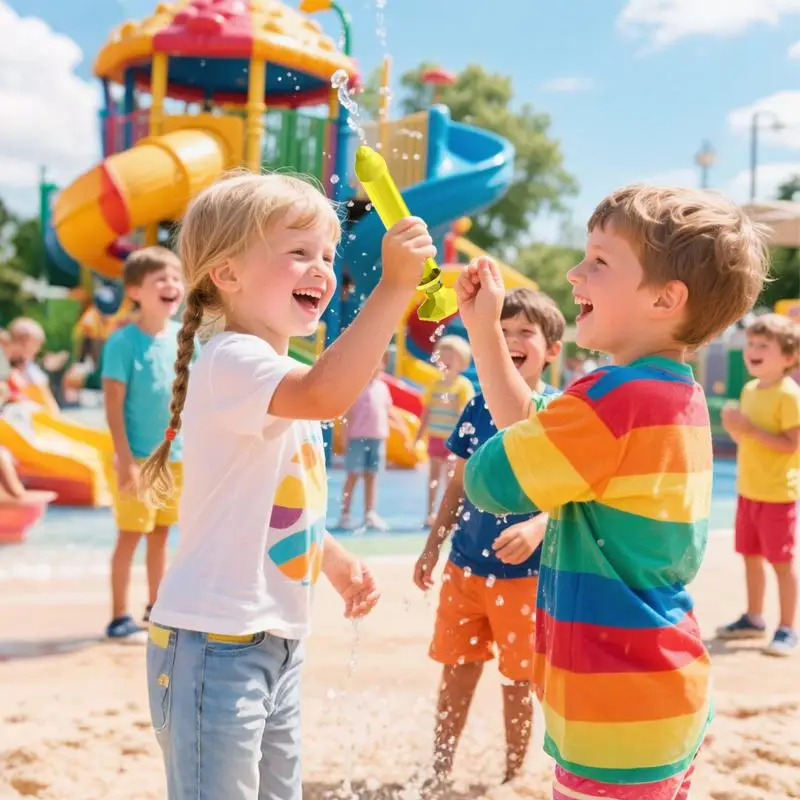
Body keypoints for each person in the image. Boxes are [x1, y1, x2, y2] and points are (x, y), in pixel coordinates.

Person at [456, 185, 769, 798]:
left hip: (612, 710)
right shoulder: (672, 396)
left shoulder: (611, 401)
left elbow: (491, 481)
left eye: (598, 261)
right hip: (661, 693)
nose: (574, 273)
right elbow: (538, 430)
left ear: (663, 298)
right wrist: (484, 332)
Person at [138, 172, 436, 800]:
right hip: (211, 644)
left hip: (273, 639)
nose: (321, 268)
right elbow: (328, 390)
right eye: (298, 252)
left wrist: (329, 555)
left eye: (327, 254)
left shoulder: (273, 371)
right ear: (226, 273)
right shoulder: (232, 359)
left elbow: (271, 496)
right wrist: (393, 289)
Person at [413, 288, 565, 787]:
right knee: (456, 670)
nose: (512, 341)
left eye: (525, 332)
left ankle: (513, 775)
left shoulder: (559, 413)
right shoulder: (477, 406)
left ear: (552, 349)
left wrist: (539, 523)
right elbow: (458, 480)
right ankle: (439, 770)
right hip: (465, 567)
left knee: (518, 680)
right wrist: (433, 544)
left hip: (525, 577)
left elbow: (577, 492)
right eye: (502, 334)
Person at [101, 246, 187, 642]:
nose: (171, 285)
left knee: (162, 533)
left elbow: (198, 396)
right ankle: (119, 617)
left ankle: (157, 608)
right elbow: (113, 404)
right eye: (160, 280)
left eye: (175, 278)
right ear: (135, 291)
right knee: (131, 534)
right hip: (135, 456)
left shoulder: (184, 339)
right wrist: (124, 460)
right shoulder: (123, 343)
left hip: (176, 457)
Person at [718, 313, 800, 656]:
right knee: (750, 556)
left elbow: (791, 443)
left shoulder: (788, 394)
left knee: (781, 564)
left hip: (778, 494)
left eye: (763, 345)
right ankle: (754, 618)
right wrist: (735, 427)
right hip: (748, 491)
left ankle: (786, 628)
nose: (753, 349)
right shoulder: (750, 389)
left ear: (788, 357)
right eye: (751, 343)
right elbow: (746, 439)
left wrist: (748, 429)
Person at [338, 353, 411, 532]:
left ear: (382, 365)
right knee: (353, 474)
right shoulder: (356, 386)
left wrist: (404, 431)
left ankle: (370, 513)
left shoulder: (382, 387)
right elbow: (348, 413)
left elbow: (389, 411)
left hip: (377, 437)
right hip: (357, 437)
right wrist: (343, 436)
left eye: (376, 363)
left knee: (372, 475)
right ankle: (345, 513)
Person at [417, 335, 475, 527]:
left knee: (452, 479)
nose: (447, 361)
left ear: (463, 363)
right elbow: (427, 412)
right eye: (444, 356)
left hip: (454, 441)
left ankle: (451, 513)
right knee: (433, 477)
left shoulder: (463, 385)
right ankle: (430, 513)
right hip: (435, 438)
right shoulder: (434, 385)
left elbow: (466, 413)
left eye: (453, 358)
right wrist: (418, 436)